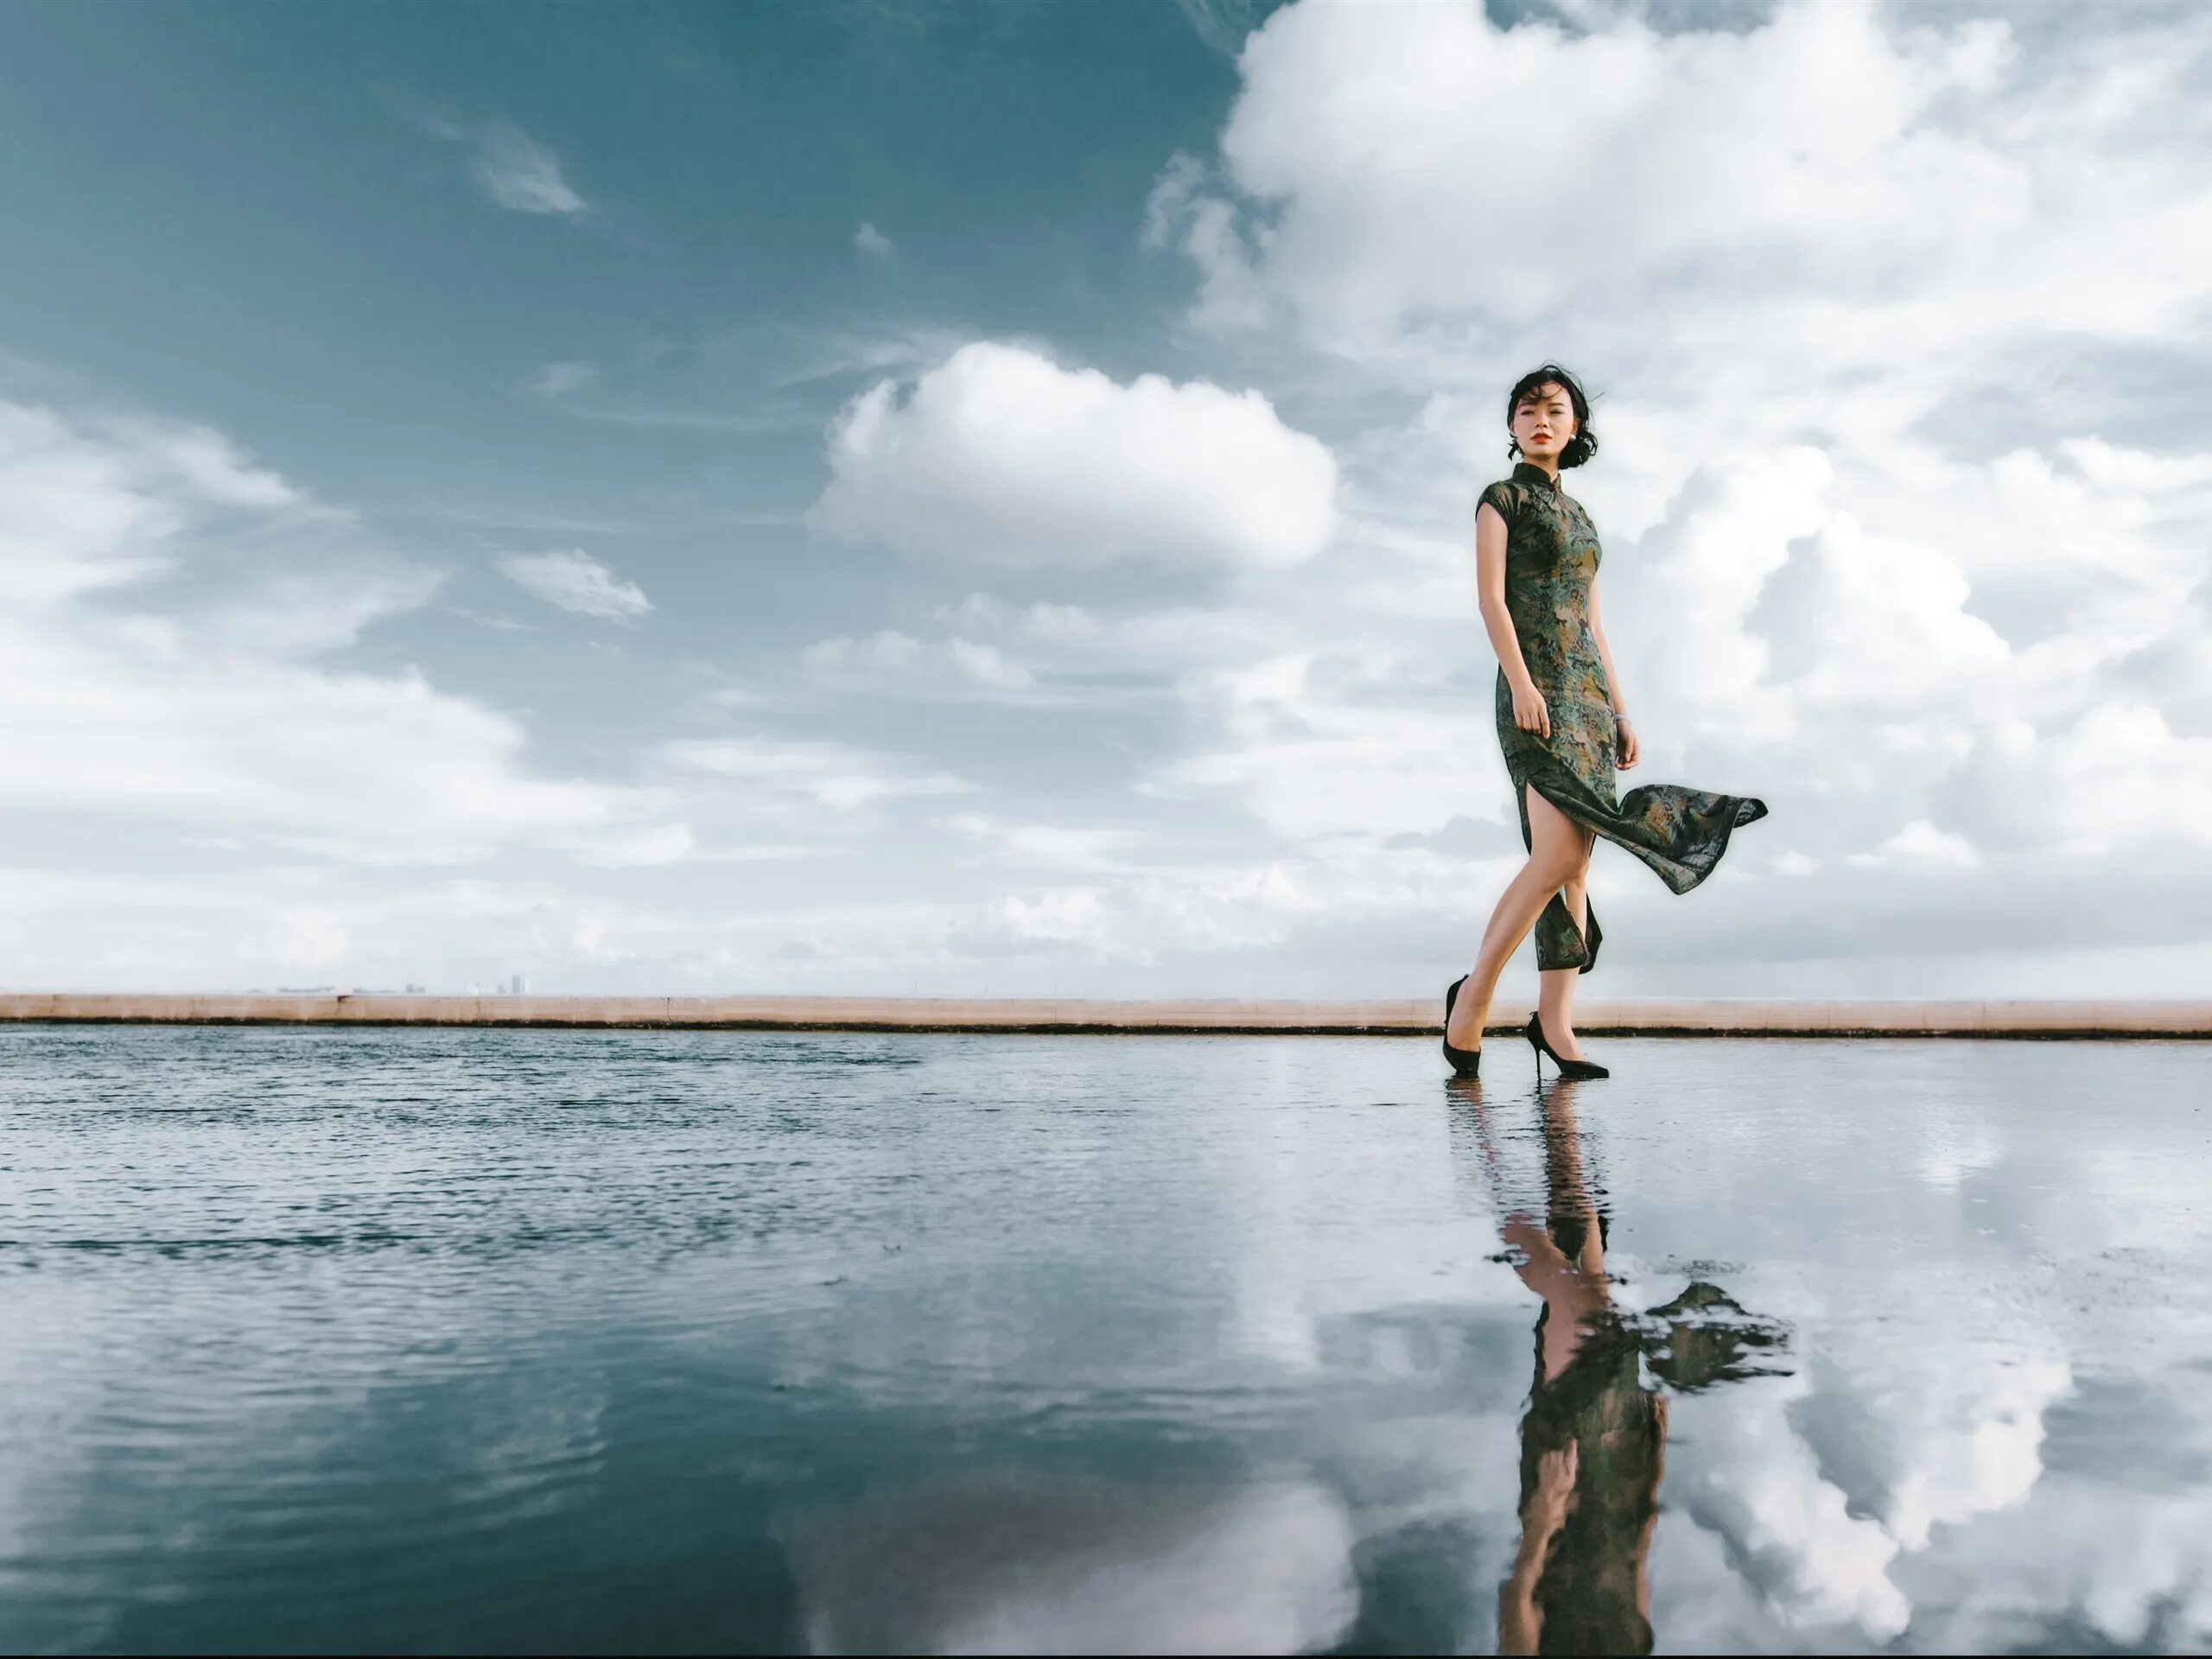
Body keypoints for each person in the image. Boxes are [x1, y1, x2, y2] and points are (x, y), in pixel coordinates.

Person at [1442, 365, 1770, 1079]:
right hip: (1533, 694)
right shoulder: (1501, 500)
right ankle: (1471, 1001)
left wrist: (1619, 708)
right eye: (1527, 410)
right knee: (1556, 855)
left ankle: (1555, 1024)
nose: (1540, 419)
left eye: (1555, 410)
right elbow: (1491, 602)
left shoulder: (1585, 522)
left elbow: (1593, 622)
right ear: (1511, 428)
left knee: (1578, 868)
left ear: (1575, 426)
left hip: (1587, 700)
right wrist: (1524, 685)